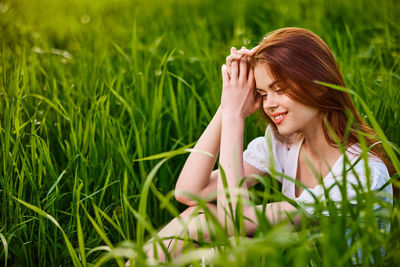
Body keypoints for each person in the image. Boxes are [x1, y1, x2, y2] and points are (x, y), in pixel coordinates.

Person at [139, 27, 394, 262]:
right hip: (291, 257)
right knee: (199, 222)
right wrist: (226, 105)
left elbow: (234, 220)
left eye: (279, 89)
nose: (268, 104)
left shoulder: (362, 174)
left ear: (318, 86)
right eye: (262, 94)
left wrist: (233, 118)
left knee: (210, 231)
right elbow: (189, 191)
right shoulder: (286, 142)